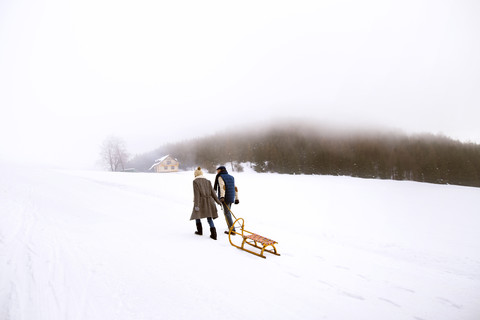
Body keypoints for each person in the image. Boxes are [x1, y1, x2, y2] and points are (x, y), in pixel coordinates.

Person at [190, 167, 222, 240]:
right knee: (209, 217)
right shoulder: (208, 181)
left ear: (195, 174)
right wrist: (218, 201)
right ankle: (214, 234)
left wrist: (197, 205)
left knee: (197, 214)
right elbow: (213, 193)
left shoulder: (195, 181)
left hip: (201, 201)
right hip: (209, 201)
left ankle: (199, 231)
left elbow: (197, 194)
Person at [214, 165, 239, 234]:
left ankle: (232, 229)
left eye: (218, 170)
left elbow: (222, 187)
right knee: (228, 212)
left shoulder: (220, 177)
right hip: (231, 197)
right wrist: (236, 198)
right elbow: (235, 188)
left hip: (225, 197)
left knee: (227, 213)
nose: (217, 171)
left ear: (221, 170)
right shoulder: (231, 177)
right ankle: (230, 226)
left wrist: (222, 197)